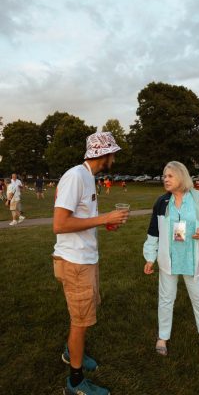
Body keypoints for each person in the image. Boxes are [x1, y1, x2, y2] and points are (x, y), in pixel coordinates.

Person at [53, 132, 129, 395]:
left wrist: (105, 222)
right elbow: (59, 224)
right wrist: (104, 217)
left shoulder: (88, 177)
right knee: (81, 320)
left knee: (82, 316)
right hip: (75, 262)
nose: (115, 157)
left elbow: (81, 219)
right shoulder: (76, 176)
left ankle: (71, 351)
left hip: (85, 259)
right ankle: (75, 382)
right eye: (113, 153)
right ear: (103, 154)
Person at [143, 161, 199, 356]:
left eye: (170, 176)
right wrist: (150, 257)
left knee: (198, 297)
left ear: (182, 176)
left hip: (192, 258)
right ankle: (163, 336)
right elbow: (154, 232)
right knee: (166, 298)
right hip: (169, 258)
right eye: (164, 176)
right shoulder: (162, 202)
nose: (165, 179)